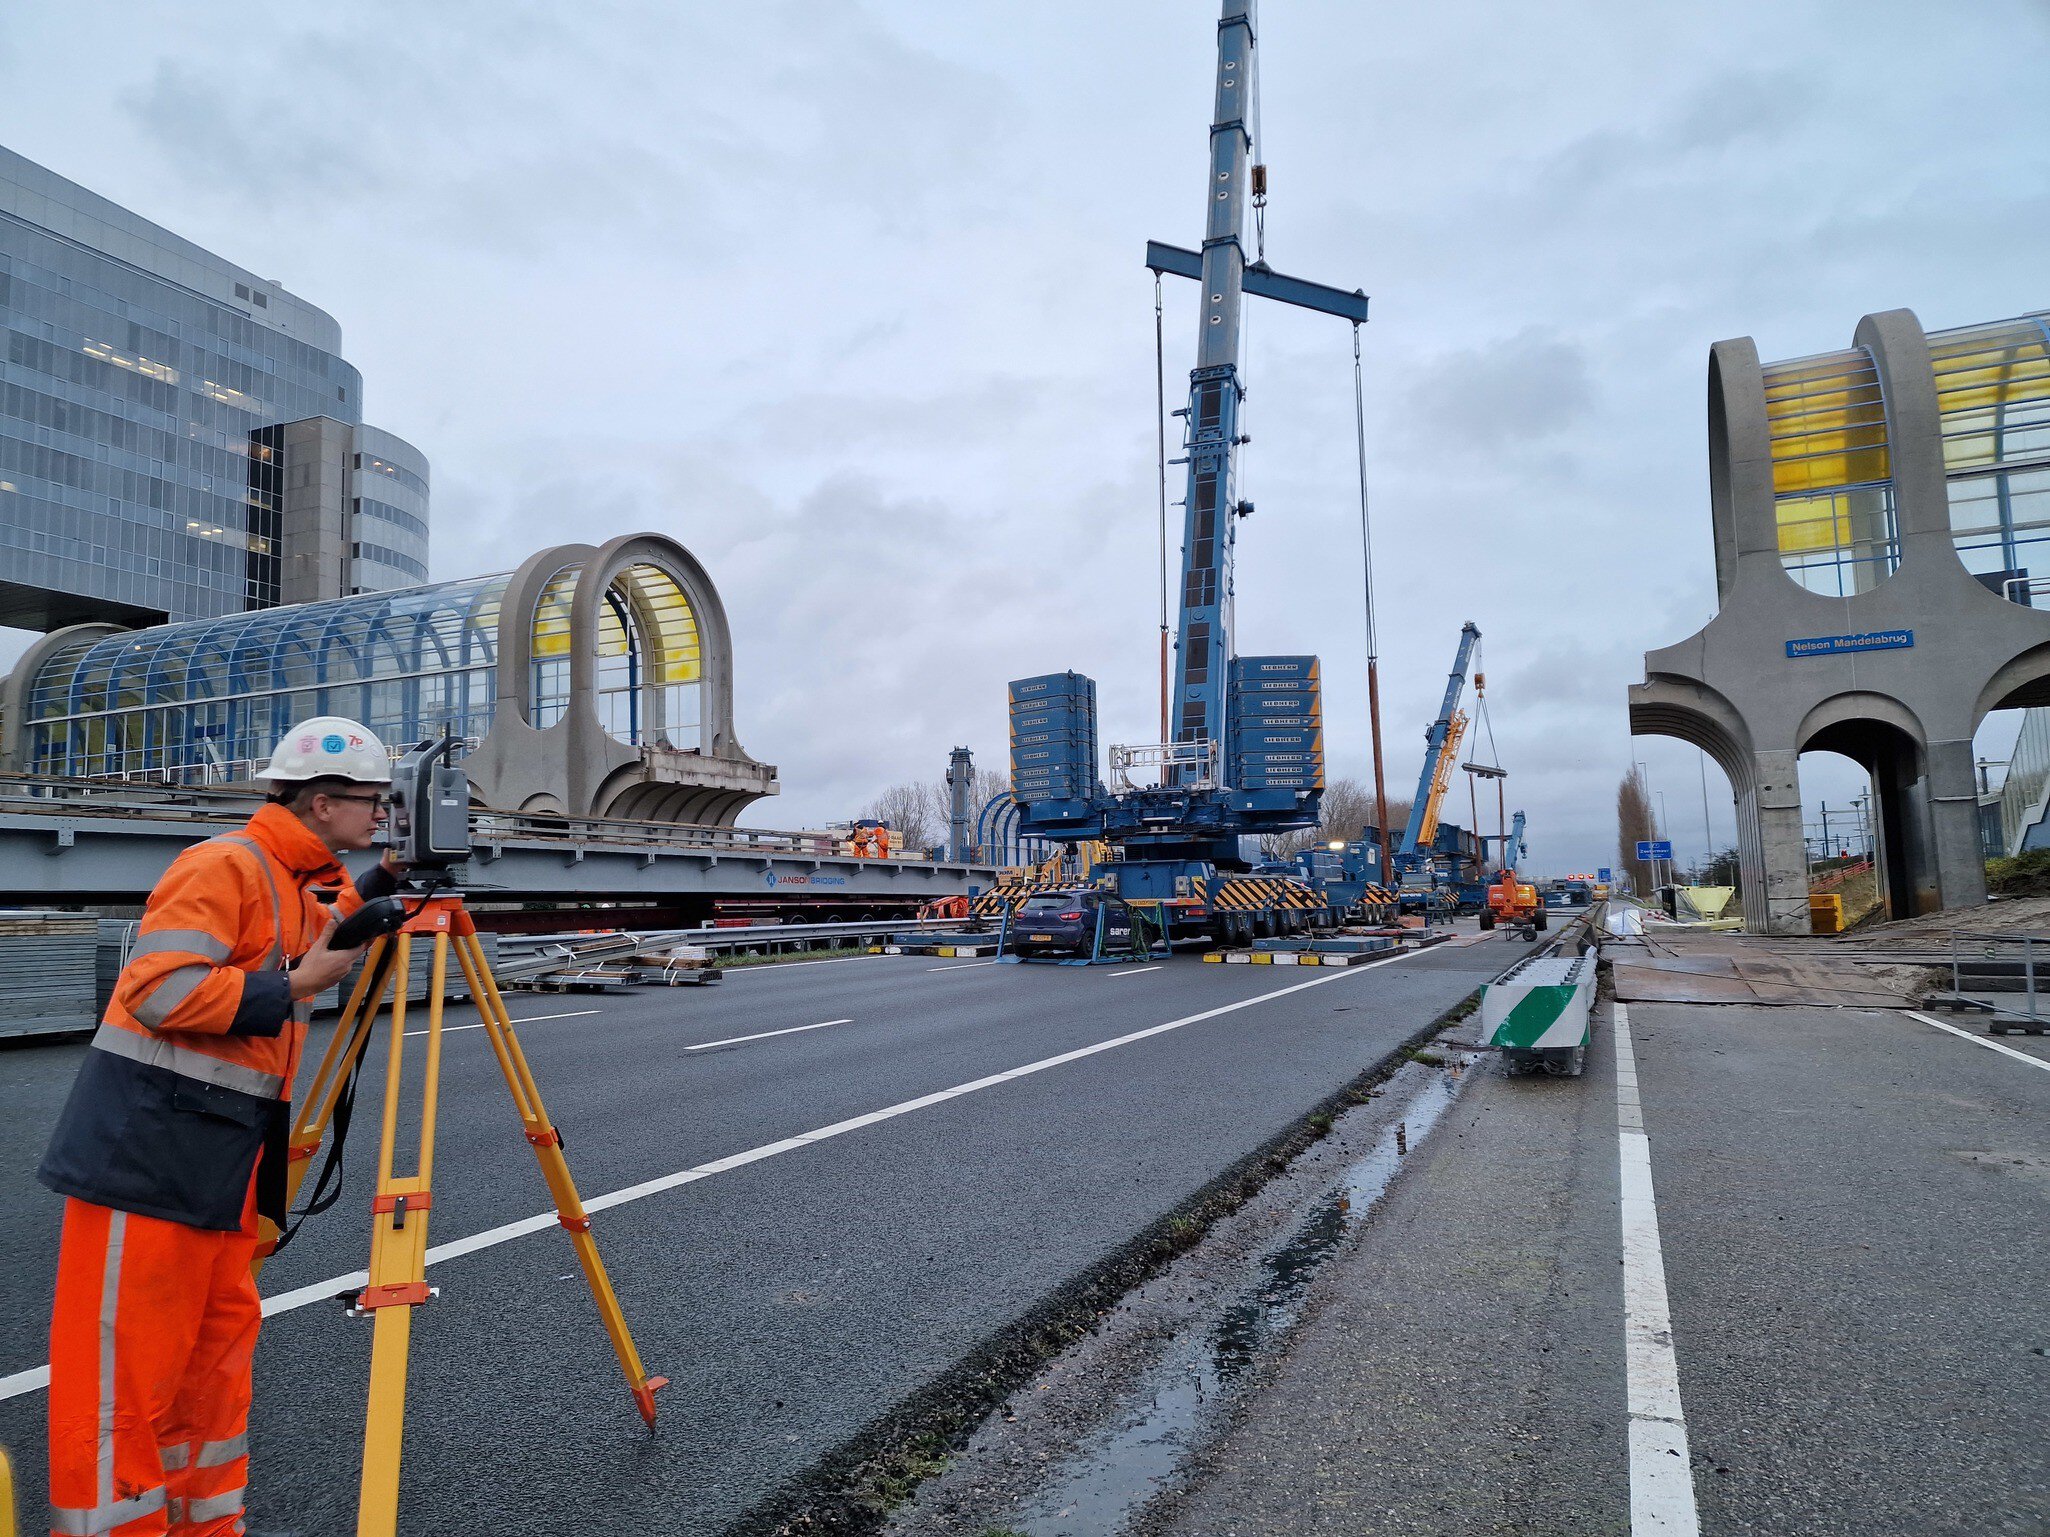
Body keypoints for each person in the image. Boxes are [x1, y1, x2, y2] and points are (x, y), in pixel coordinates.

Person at [39, 717, 408, 1537]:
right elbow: (161, 991)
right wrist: (291, 984)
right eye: (372, 802)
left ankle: (204, 1523)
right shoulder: (223, 865)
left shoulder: (285, 878)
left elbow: (318, 932)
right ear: (321, 801)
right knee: (122, 1386)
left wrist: (381, 880)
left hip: (222, 1167)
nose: (382, 813)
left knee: (210, 1371)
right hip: (145, 1160)